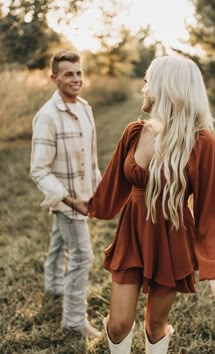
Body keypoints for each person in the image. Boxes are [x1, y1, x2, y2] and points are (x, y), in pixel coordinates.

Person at [72, 55, 215, 353]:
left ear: (165, 88)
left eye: (147, 81)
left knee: (154, 325)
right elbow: (112, 185)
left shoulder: (201, 142)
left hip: (172, 238)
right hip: (132, 235)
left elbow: (212, 209)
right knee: (119, 324)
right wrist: (89, 206)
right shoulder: (135, 132)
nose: (143, 88)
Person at [30, 50, 102, 338]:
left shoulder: (85, 108)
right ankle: (74, 321)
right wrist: (71, 201)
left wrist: (99, 194)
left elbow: (92, 161)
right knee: (83, 256)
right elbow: (39, 170)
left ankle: (54, 286)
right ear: (54, 77)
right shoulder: (47, 116)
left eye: (79, 72)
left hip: (83, 196)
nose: (76, 79)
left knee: (59, 242)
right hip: (68, 201)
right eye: (68, 74)